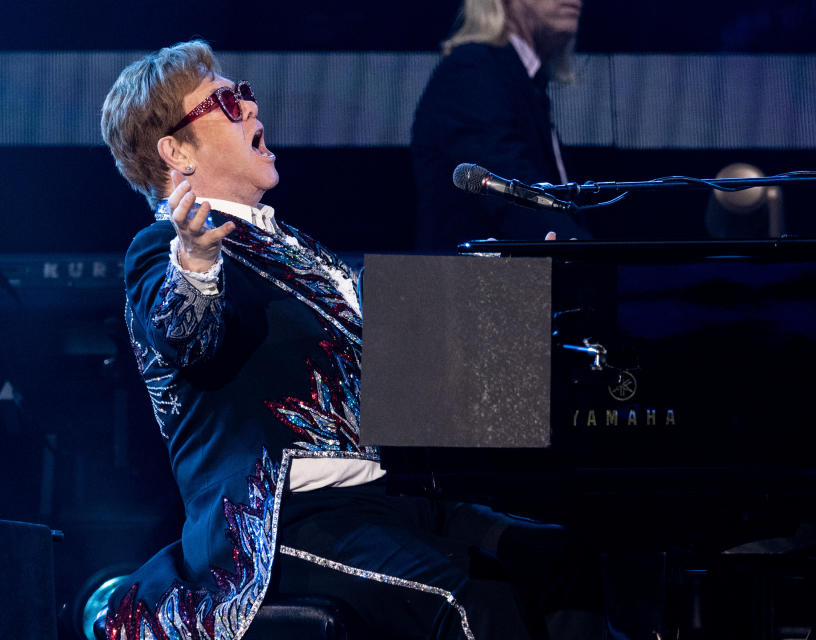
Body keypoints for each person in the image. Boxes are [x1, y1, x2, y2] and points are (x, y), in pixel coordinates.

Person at [98, 40, 606, 640]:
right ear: (177, 150)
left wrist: (530, 291)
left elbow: (409, 358)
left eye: (246, 95)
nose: (253, 109)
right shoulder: (165, 250)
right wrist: (195, 257)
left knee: (558, 555)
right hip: (281, 524)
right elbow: (187, 338)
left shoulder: (297, 251)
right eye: (228, 104)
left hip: (386, 500)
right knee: (465, 601)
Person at [411, 0, 590, 251]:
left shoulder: (524, 80)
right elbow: (512, 194)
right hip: (475, 285)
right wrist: (590, 254)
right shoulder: (471, 71)